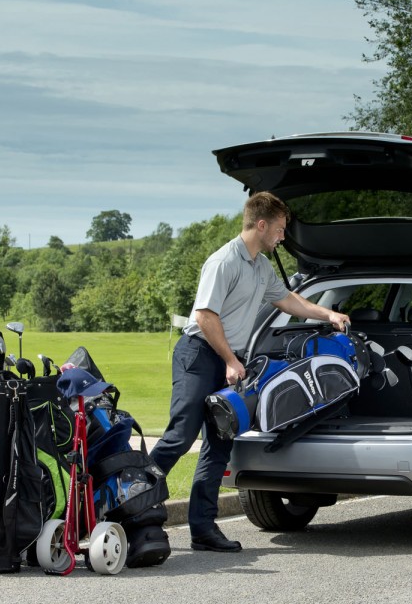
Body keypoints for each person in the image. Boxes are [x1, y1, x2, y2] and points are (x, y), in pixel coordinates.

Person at [150, 192, 350, 552]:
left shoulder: (261, 266)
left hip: (229, 359)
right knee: (181, 436)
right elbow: (205, 316)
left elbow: (289, 300)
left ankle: (203, 529)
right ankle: (130, 501)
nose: (283, 236)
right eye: (280, 228)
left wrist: (328, 314)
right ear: (261, 224)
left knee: (219, 443)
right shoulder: (224, 261)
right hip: (200, 355)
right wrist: (230, 360)